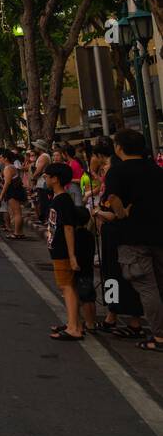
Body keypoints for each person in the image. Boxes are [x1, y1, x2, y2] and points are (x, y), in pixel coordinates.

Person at [103, 129, 163, 355]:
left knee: (146, 287)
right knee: (159, 284)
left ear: (119, 148)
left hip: (132, 237)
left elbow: (114, 200)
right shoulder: (156, 170)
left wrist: (121, 213)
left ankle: (159, 335)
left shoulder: (117, 172)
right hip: (158, 234)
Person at [88, 136, 143, 336]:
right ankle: (112, 314)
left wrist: (98, 212)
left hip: (115, 230)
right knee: (113, 274)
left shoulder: (114, 172)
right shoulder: (113, 171)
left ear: (99, 156)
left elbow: (112, 205)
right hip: (115, 231)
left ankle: (130, 319)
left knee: (118, 275)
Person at [45, 163, 87, 341]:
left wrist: (71, 256)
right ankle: (74, 322)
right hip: (58, 249)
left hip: (63, 250)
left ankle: (73, 328)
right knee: (69, 286)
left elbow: (68, 228)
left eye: (47, 176)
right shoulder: (59, 198)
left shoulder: (62, 200)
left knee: (66, 287)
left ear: (55, 179)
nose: (45, 178)